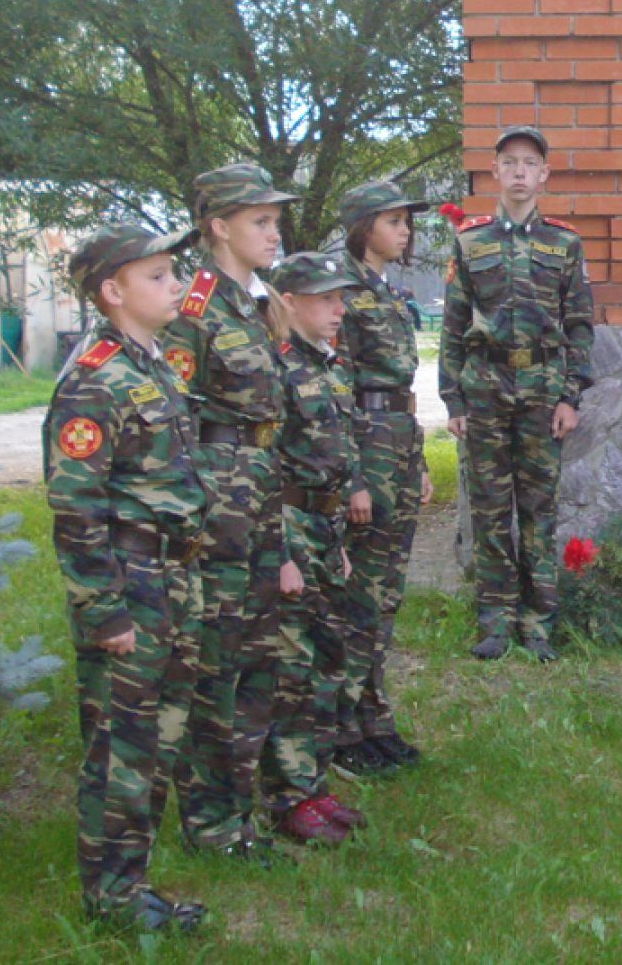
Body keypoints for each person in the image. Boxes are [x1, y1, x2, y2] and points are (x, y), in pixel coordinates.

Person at [44, 223, 208, 933]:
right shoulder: (94, 379)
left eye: (175, 272)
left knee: (159, 736)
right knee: (120, 745)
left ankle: (132, 883)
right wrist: (103, 610)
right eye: (158, 276)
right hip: (129, 580)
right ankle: (111, 897)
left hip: (173, 574)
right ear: (112, 291)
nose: (177, 286)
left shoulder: (153, 366)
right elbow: (75, 505)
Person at [160, 163, 295, 858]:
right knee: (216, 658)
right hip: (218, 505)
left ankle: (241, 805)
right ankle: (211, 823)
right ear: (218, 226)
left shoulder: (252, 305)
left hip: (260, 495)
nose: (274, 233)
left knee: (257, 655)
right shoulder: (193, 310)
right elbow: (171, 420)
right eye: (260, 221)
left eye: (275, 221)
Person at [439, 127, 595, 662]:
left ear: (544, 174)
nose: (520, 172)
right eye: (510, 162)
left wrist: (570, 396)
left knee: (538, 509)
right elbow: (453, 325)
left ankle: (538, 623)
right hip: (485, 386)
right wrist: (453, 401)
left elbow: (579, 325)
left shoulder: (564, 243)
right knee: (488, 509)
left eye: (530, 163)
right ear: (495, 171)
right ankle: (495, 621)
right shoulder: (470, 242)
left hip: (542, 390)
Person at [260, 251, 368, 842]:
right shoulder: (274, 368)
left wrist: (339, 539)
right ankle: (286, 795)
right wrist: (279, 553)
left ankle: (313, 781)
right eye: (326, 299)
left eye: (340, 298)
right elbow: (262, 466)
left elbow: (338, 454)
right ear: (289, 302)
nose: (339, 309)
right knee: (292, 667)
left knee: (328, 659)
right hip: (291, 524)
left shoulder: (329, 365)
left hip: (325, 529)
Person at [332, 179, 432, 774]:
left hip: (396, 441)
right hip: (365, 446)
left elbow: (401, 390)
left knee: (387, 590)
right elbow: (335, 389)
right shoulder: (340, 291)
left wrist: (417, 463)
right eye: (393, 221)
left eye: (405, 221)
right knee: (361, 593)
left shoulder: (386, 290)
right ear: (363, 225)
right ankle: (341, 727)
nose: (405, 231)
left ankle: (373, 716)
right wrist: (351, 478)